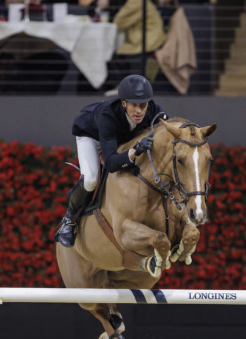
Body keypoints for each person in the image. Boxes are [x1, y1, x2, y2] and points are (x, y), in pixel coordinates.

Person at [55, 74, 166, 248]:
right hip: (92, 136)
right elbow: (112, 163)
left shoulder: (153, 110)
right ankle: (68, 220)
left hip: (119, 137)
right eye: (134, 105)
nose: (139, 111)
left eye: (143, 105)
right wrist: (136, 150)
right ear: (123, 103)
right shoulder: (108, 116)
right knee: (91, 179)